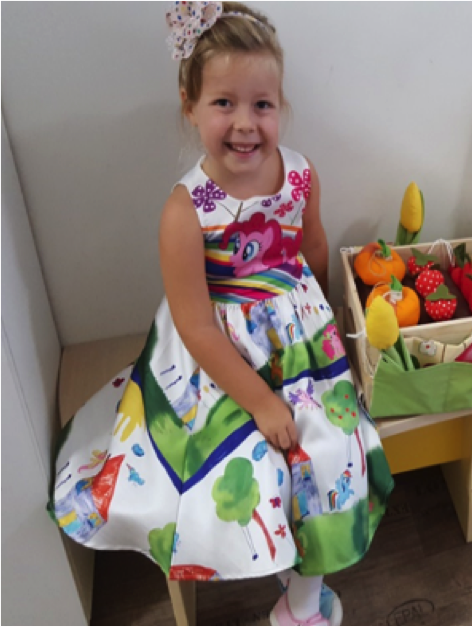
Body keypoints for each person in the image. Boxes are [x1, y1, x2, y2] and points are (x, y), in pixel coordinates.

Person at [49, 3, 393, 624]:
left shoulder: (300, 174)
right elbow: (196, 324)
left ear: (280, 105)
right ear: (190, 105)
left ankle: (302, 602)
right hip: (216, 355)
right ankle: (297, 590)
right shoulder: (185, 211)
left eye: (261, 104)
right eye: (223, 103)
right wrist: (261, 401)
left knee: (327, 451)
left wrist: (323, 326)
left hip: (300, 340)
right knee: (246, 467)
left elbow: (311, 247)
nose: (244, 124)